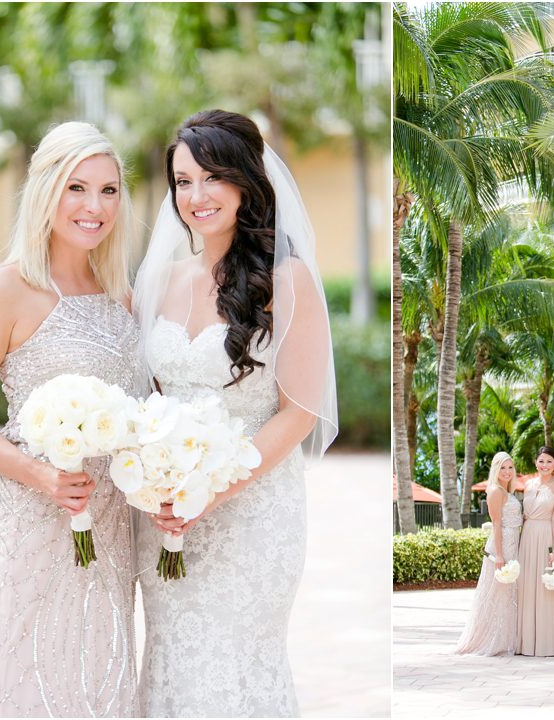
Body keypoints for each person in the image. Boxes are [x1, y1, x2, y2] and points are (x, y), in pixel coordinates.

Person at [132, 109, 337, 717]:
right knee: (172, 655)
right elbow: (151, 401)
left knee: (236, 658)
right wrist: (159, 483)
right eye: (182, 181)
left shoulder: (287, 279)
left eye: (211, 177)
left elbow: (298, 413)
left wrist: (211, 492)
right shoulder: (159, 280)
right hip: (167, 515)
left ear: (245, 180)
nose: (195, 196)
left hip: (253, 510)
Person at [0, 122, 139, 716]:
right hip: (29, 519)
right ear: (46, 189)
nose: (94, 206)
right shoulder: (4, 290)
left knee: (96, 677)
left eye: (109, 190)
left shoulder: (122, 295)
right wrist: (40, 475)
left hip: (108, 523)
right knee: (22, 680)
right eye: (77, 188)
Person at [456, 452, 523, 656]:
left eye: (510, 467)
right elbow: (496, 523)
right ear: (496, 469)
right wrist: (500, 555)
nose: (507, 471)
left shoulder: (508, 491)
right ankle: (492, 639)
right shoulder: (495, 491)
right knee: (497, 592)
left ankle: (507, 638)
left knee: (508, 593)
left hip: (513, 540)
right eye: (503, 467)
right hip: (502, 544)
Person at [516, 446, 554, 656]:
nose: (544, 465)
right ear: (535, 462)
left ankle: (546, 644)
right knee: (527, 586)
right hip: (527, 536)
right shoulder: (528, 484)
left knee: (546, 586)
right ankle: (526, 643)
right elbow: (524, 516)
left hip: (547, 533)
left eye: (549, 461)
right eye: (541, 461)